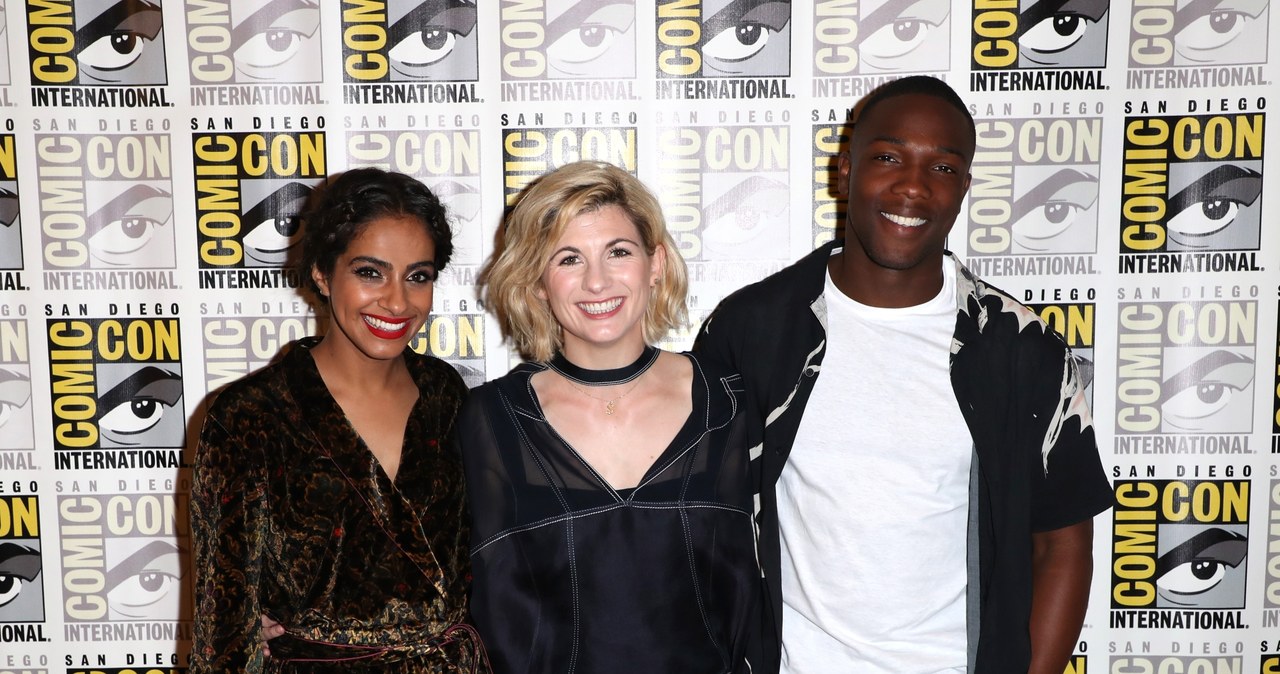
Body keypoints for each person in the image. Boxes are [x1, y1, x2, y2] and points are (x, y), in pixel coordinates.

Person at [696, 76, 1113, 674]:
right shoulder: (752, 331)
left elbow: (1063, 545)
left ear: (965, 188)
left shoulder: (1019, 348)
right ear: (845, 171)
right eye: (888, 157)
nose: (912, 186)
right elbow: (696, 528)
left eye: (942, 168)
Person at [462, 161, 759, 673]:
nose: (597, 282)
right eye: (569, 259)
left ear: (656, 263)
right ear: (536, 282)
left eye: (618, 252)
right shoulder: (489, 420)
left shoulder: (729, 402)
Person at [191, 168, 488, 673]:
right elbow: (222, 630)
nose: (397, 301)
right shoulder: (250, 415)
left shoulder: (447, 394)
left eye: (418, 276)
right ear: (323, 274)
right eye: (370, 272)